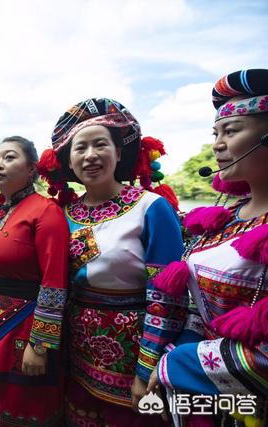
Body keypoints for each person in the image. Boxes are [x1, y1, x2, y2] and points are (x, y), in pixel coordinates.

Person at [38, 98, 185, 426]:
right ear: (70, 163)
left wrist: (147, 369)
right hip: (75, 354)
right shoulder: (63, 214)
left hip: (134, 359)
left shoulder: (151, 208)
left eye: (100, 144)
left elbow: (169, 298)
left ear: (119, 153)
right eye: (80, 148)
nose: (90, 155)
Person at [149, 69, 268, 426]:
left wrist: (177, 363)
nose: (217, 144)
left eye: (230, 132)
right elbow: (197, 307)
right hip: (205, 393)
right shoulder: (226, 217)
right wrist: (176, 348)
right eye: (215, 133)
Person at [0, 136, 69, 426]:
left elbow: (54, 282)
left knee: (25, 405)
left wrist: (39, 344)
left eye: (9, 157)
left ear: (32, 169)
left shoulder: (45, 210)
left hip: (25, 330)